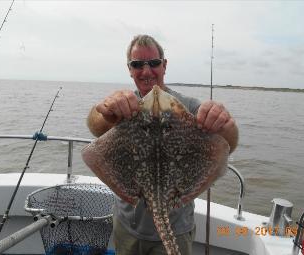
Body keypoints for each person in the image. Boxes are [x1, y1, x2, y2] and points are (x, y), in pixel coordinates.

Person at [87, 34, 239, 255]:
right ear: (130, 69)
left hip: (176, 227)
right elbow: (94, 125)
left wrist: (224, 123)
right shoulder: (124, 106)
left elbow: (228, 144)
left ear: (164, 65)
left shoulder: (187, 106)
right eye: (138, 64)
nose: (147, 71)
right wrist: (106, 112)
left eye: (154, 63)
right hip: (127, 226)